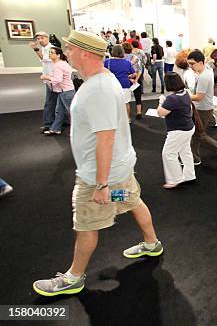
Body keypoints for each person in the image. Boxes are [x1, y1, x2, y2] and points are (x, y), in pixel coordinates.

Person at [33, 30, 163, 297]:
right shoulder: (101, 81)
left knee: (86, 223)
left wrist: (101, 184)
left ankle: (73, 277)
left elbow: (106, 138)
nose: (66, 53)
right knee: (131, 200)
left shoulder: (99, 88)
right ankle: (152, 243)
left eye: (69, 49)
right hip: (118, 172)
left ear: (85, 53)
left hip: (101, 177)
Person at [187, 49, 217, 167]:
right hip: (203, 107)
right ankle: (194, 157)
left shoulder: (204, 76)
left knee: (199, 135)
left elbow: (198, 97)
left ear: (200, 63)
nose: (191, 67)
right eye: (189, 64)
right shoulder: (207, 69)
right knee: (196, 135)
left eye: (192, 64)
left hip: (202, 109)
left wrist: (186, 96)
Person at [157, 72, 196, 189]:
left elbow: (160, 113)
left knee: (168, 153)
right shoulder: (185, 93)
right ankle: (189, 175)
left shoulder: (171, 99)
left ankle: (175, 179)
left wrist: (161, 102)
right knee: (185, 151)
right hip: (188, 127)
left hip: (178, 131)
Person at [39, 47, 75, 135]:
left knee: (72, 113)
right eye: (50, 52)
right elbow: (44, 59)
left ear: (58, 55)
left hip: (66, 92)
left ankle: (81, 131)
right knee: (59, 111)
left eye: (52, 53)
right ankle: (55, 129)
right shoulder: (61, 63)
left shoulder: (59, 65)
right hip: (63, 91)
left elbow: (58, 79)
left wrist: (46, 77)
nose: (50, 54)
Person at [30, 31, 57, 133]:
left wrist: (35, 48)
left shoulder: (51, 49)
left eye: (42, 38)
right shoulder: (44, 49)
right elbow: (43, 59)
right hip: (49, 78)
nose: (40, 40)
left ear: (47, 38)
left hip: (53, 78)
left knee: (50, 102)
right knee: (54, 102)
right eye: (38, 39)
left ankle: (48, 124)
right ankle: (55, 122)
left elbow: (44, 59)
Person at [104, 45, 137, 121]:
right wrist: (127, 76)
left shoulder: (107, 62)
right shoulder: (127, 62)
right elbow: (134, 74)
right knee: (126, 103)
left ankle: (114, 120)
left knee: (113, 103)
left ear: (112, 52)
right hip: (125, 84)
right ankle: (128, 119)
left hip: (112, 85)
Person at [130, 40, 147, 119]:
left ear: (132, 45)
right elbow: (145, 60)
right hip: (139, 70)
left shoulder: (130, 53)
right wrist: (143, 64)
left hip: (130, 72)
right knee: (139, 83)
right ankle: (139, 111)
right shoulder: (141, 51)